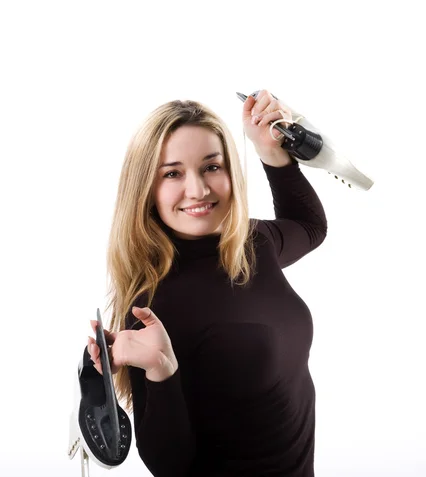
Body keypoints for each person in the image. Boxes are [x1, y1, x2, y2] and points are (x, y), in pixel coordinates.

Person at [85, 89, 327, 477]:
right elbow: (171, 466)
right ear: (146, 188)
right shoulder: (152, 308)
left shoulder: (252, 243)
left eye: (212, 167)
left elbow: (310, 227)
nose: (198, 190)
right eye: (172, 173)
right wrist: (161, 369)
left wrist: (272, 153)